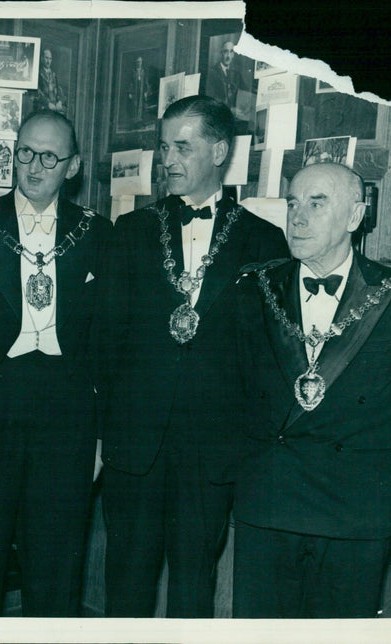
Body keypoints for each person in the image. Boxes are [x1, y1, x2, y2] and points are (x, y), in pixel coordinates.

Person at [98, 95, 289, 617]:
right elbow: (106, 343)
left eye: (183, 146)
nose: (169, 159)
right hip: (136, 448)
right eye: (164, 147)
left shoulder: (264, 241)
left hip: (212, 452)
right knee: (126, 585)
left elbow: (265, 361)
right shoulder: (132, 231)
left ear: (220, 150)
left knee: (193, 588)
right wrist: (103, 434)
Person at [0, 110, 111, 616]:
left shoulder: (97, 233)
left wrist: (99, 435)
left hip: (66, 419)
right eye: (25, 153)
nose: (34, 167)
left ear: (72, 166)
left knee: (57, 570)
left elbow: (104, 345)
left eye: (49, 157)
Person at [229, 163, 391, 618]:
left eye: (316, 202)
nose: (298, 217)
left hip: (354, 512)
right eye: (293, 203)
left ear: (355, 217)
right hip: (268, 506)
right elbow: (234, 393)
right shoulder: (256, 288)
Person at [206, 40, 243, 112]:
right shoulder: (212, 72)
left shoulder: (236, 73)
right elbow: (210, 99)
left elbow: (245, 91)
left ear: (233, 55)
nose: (228, 56)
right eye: (226, 51)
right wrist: (230, 109)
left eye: (231, 52)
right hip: (219, 113)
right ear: (221, 53)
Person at [33, 48, 67, 114]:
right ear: (41, 58)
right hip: (43, 107)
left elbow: (59, 90)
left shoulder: (54, 75)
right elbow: (36, 93)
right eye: (46, 58)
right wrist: (47, 103)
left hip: (55, 107)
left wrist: (60, 102)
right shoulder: (38, 74)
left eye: (50, 59)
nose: (48, 61)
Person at [126, 55, 151, 127]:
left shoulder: (143, 71)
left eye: (140, 62)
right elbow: (130, 82)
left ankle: (140, 120)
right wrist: (130, 92)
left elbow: (146, 82)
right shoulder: (133, 71)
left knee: (141, 105)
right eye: (138, 62)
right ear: (136, 63)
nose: (139, 63)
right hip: (135, 92)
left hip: (141, 92)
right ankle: (134, 121)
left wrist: (146, 91)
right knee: (134, 105)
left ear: (142, 63)